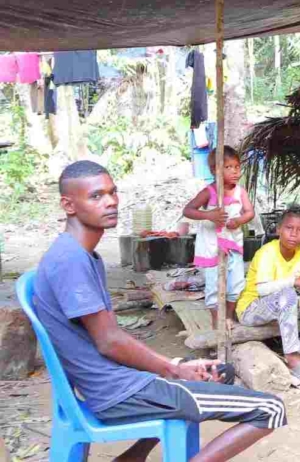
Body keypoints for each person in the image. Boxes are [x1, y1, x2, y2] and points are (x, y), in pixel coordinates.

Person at [36, 161, 284, 462]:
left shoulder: (83, 255)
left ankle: (131, 458)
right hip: (116, 392)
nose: (111, 201)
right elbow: (108, 341)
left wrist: (175, 363)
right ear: (68, 204)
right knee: (271, 409)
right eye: (96, 196)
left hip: (117, 381)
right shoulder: (70, 260)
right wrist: (172, 368)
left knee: (220, 373)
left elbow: (108, 339)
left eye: (113, 193)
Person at [236, 206, 300, 385]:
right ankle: (292, 355)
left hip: (284, 305)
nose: (294, 234)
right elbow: (262, 290)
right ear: (278, 230)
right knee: (287, 294)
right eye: (289, 228)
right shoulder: (267, 253)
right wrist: (295, 281)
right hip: (252, 309)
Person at [182, 145, 254, 331]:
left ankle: (229, 316)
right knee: (214, 286)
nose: (234, 171)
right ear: (215, 170)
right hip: (212, 247)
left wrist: (239, 221)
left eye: (237, 166)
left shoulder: (240, 192)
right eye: (228, 167)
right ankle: (216, 322)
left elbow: (249, 212)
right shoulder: (209, 192)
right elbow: (188, 210)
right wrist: (209, 215)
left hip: (233, 246)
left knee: (236, 283)